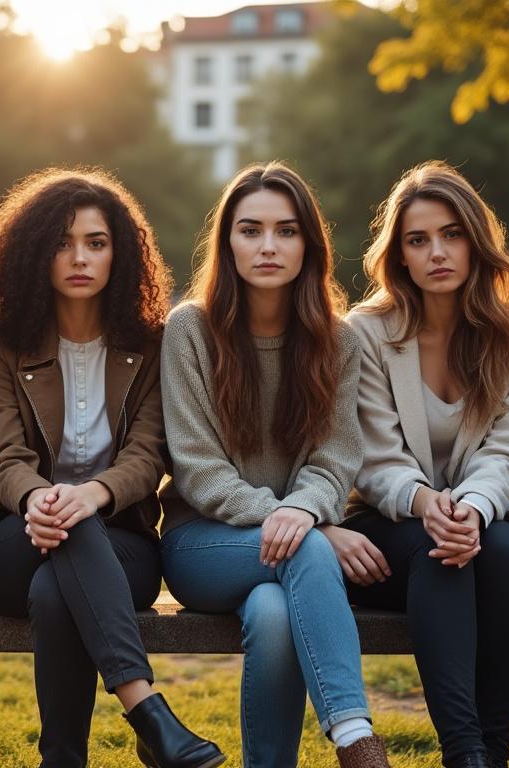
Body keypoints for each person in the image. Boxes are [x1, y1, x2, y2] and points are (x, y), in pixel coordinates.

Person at [0, 168, 225, 768]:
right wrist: (39, 498)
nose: (79, 257)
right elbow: (2, 453)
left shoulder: (153, 342)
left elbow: (149, 453)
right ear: (34, 252)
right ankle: (147, 712)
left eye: (96, 242)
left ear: (122, 252)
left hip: (120, 542)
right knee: (63, 530)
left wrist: (92, 497)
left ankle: (62, 759)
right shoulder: (2, 342)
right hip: (14, 536)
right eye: (61, 242)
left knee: (59, 583)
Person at [160, 161, 390, 768]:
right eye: (250, 230)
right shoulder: (189, 329)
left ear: (308, 245)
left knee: (273, 615)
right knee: (311, 551)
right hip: (202, 545)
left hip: (289, 547)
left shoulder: (336, 340)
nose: (268, 246)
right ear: (227, 241)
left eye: (286, 231)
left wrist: (302, 511)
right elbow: (197, 469)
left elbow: (336, 458)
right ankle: (353, 736)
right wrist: (296, 519)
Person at [328, 161, 509, 768]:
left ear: (477, 242)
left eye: (452, 234)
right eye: (418, 240)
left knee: (501, 549)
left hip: (481, 522)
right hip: (387, 523)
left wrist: (471, 510)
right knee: (442, 555)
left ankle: (490, 756)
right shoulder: (367, 332)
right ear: (398, 255)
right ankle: (466, 755)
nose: (437, 252)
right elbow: (373, 457)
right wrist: (430, 505)